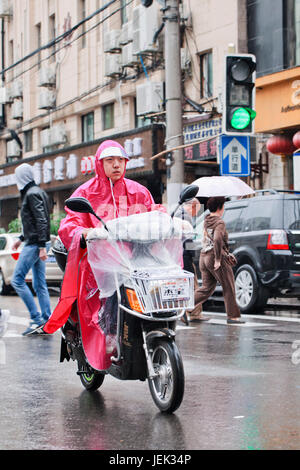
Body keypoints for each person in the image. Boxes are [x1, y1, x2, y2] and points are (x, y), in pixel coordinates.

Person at [41, 140, 166, 369]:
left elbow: (154, 213)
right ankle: (106, 338)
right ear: (100, 163)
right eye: (110, 160)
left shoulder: (139, 192)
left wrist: (171, 220)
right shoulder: (86, 193)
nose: (116, 165)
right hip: (98, 263)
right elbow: (69, 225)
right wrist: (84, 232)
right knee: (104, 300)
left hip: (137, 259)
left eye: (121, 160)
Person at [11, 163, 52, 336]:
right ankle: (47, 320)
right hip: (37, 242)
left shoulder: (31, 194)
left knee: (17, 280)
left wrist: (41, 246)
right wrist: (20, 239)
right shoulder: (38, 191)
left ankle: (36, 319)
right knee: (39, 283)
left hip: (36, 244)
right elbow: (35, 221)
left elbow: (42, 220)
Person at [194, 196, 245, 324]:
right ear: (220, 208)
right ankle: (232, 316)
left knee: (206, 288)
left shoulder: (206, 221)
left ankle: (183, 306)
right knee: (228, 285)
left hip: (203, 256)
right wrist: (217, 259)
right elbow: (217, 239)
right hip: (215, 257)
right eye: (223, 206)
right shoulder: (219, 222)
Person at [176, 198, 208, 324]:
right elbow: (187, 241)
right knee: (192, 284)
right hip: (184, 255)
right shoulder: (185, 217)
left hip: (177, 255)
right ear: (193, 207)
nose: (196, 214)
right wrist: (197, 247)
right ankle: (194, 312)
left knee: (185, 284)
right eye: (197, 211)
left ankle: (189, 311)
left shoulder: (177, 214)